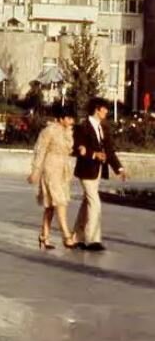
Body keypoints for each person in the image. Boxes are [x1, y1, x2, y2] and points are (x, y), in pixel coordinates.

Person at [71, 97, 127, 251]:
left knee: (86, 204)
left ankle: (77, 237)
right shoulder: (83, 126)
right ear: (97, 109)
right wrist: (94, 154)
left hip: (98, 171)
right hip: (86, 170)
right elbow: (77, 149)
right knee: (95, 203)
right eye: (105, 109)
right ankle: (92, 240)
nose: (107, 112)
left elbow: (109, 151)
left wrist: (119, 169)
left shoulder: (103, 128)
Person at [28, 104, 79, 250]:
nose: (71, 122)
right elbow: (40, 151)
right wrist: (35, 171)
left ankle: (44, 236)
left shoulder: (68, 132)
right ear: (62, 118)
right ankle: (66, 236)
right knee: (60, 201)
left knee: (50, 205)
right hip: (51, 168)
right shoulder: (49, 131)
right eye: (69, 118)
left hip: (63, 169)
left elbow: (69, 149)